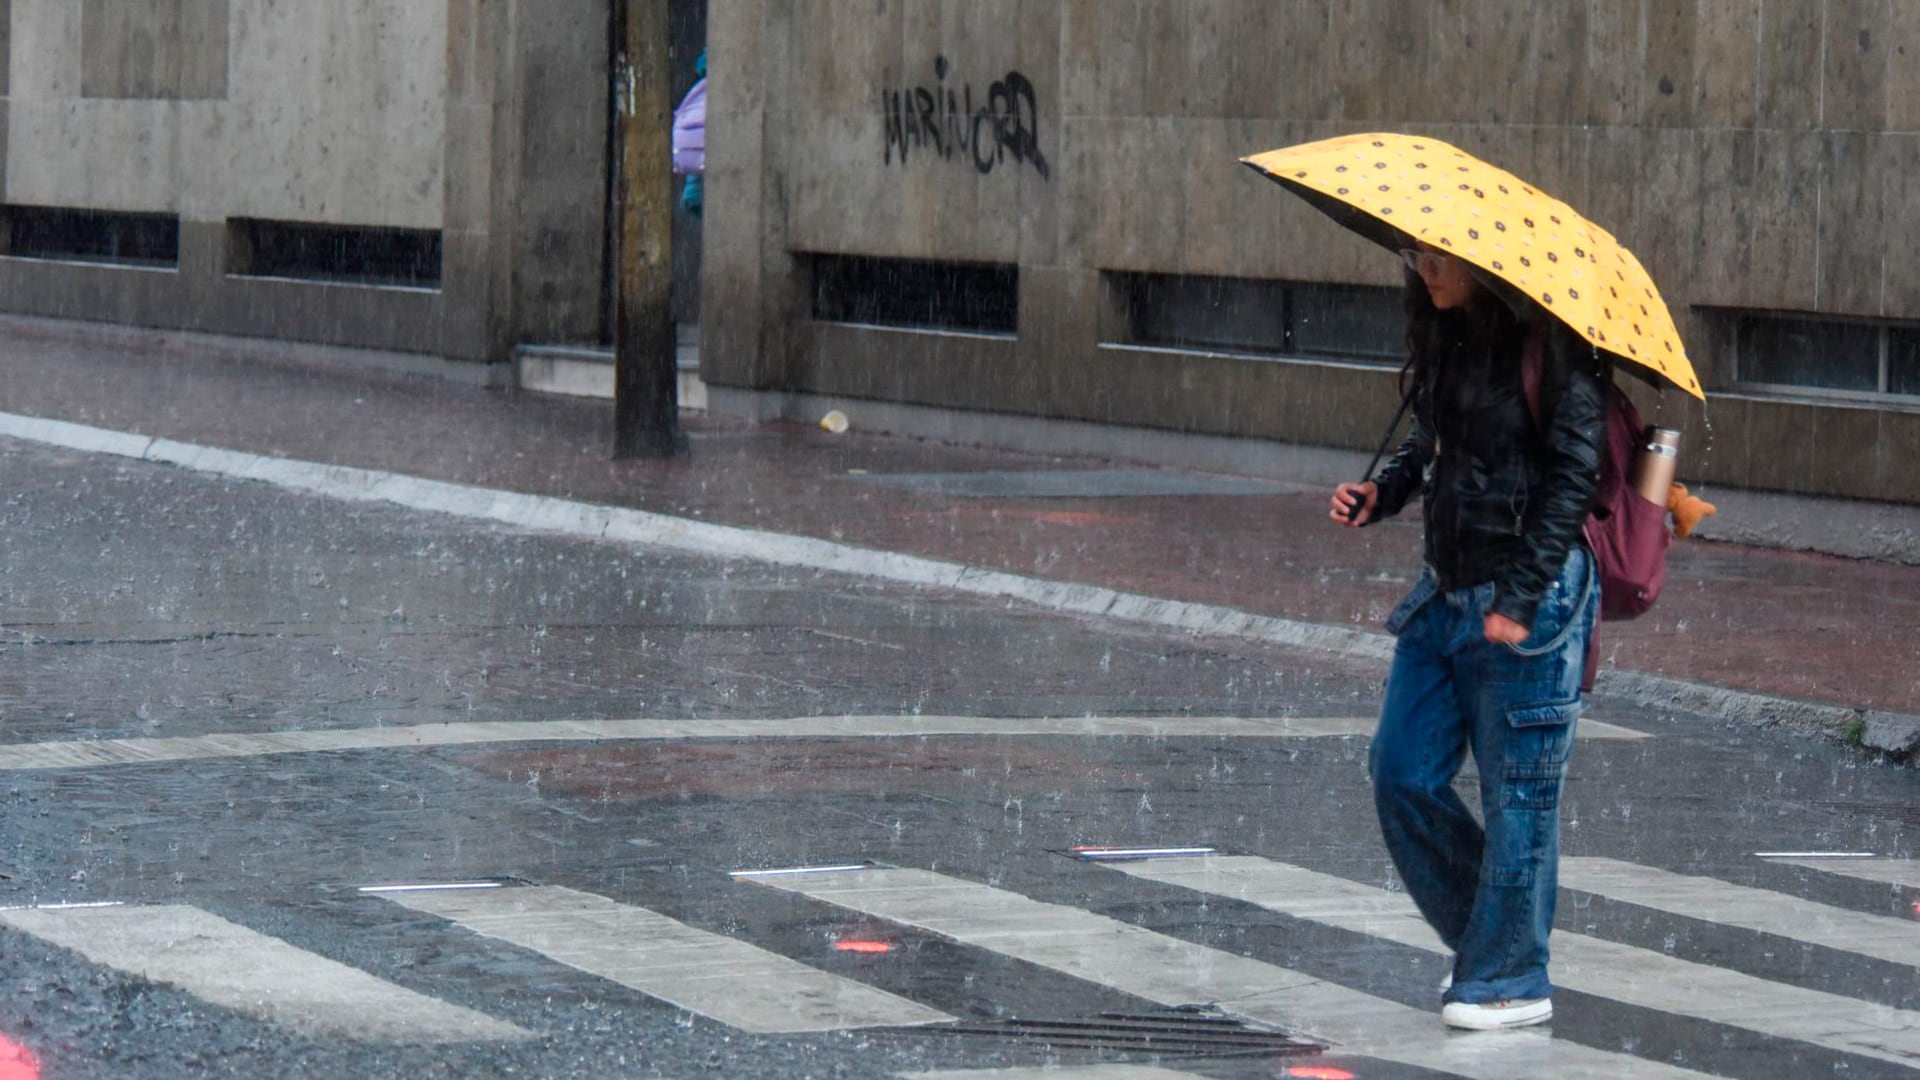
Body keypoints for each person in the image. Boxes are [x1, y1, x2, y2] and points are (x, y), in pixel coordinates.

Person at [1329, 244, 1607, 1031]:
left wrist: (1520, 596)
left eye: (1439, 258)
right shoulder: (1446, 334)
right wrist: (1381, 492)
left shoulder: (1552, 342)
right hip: (1444, 594)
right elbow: (1430, 445)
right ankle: (1496, 941)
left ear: (1487, 261)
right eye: (1415, 255)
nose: (1424, 270)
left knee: (1519, 799)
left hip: (1530, 603)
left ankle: (1511, 977)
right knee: (1401, 772)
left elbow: (1575, 475)